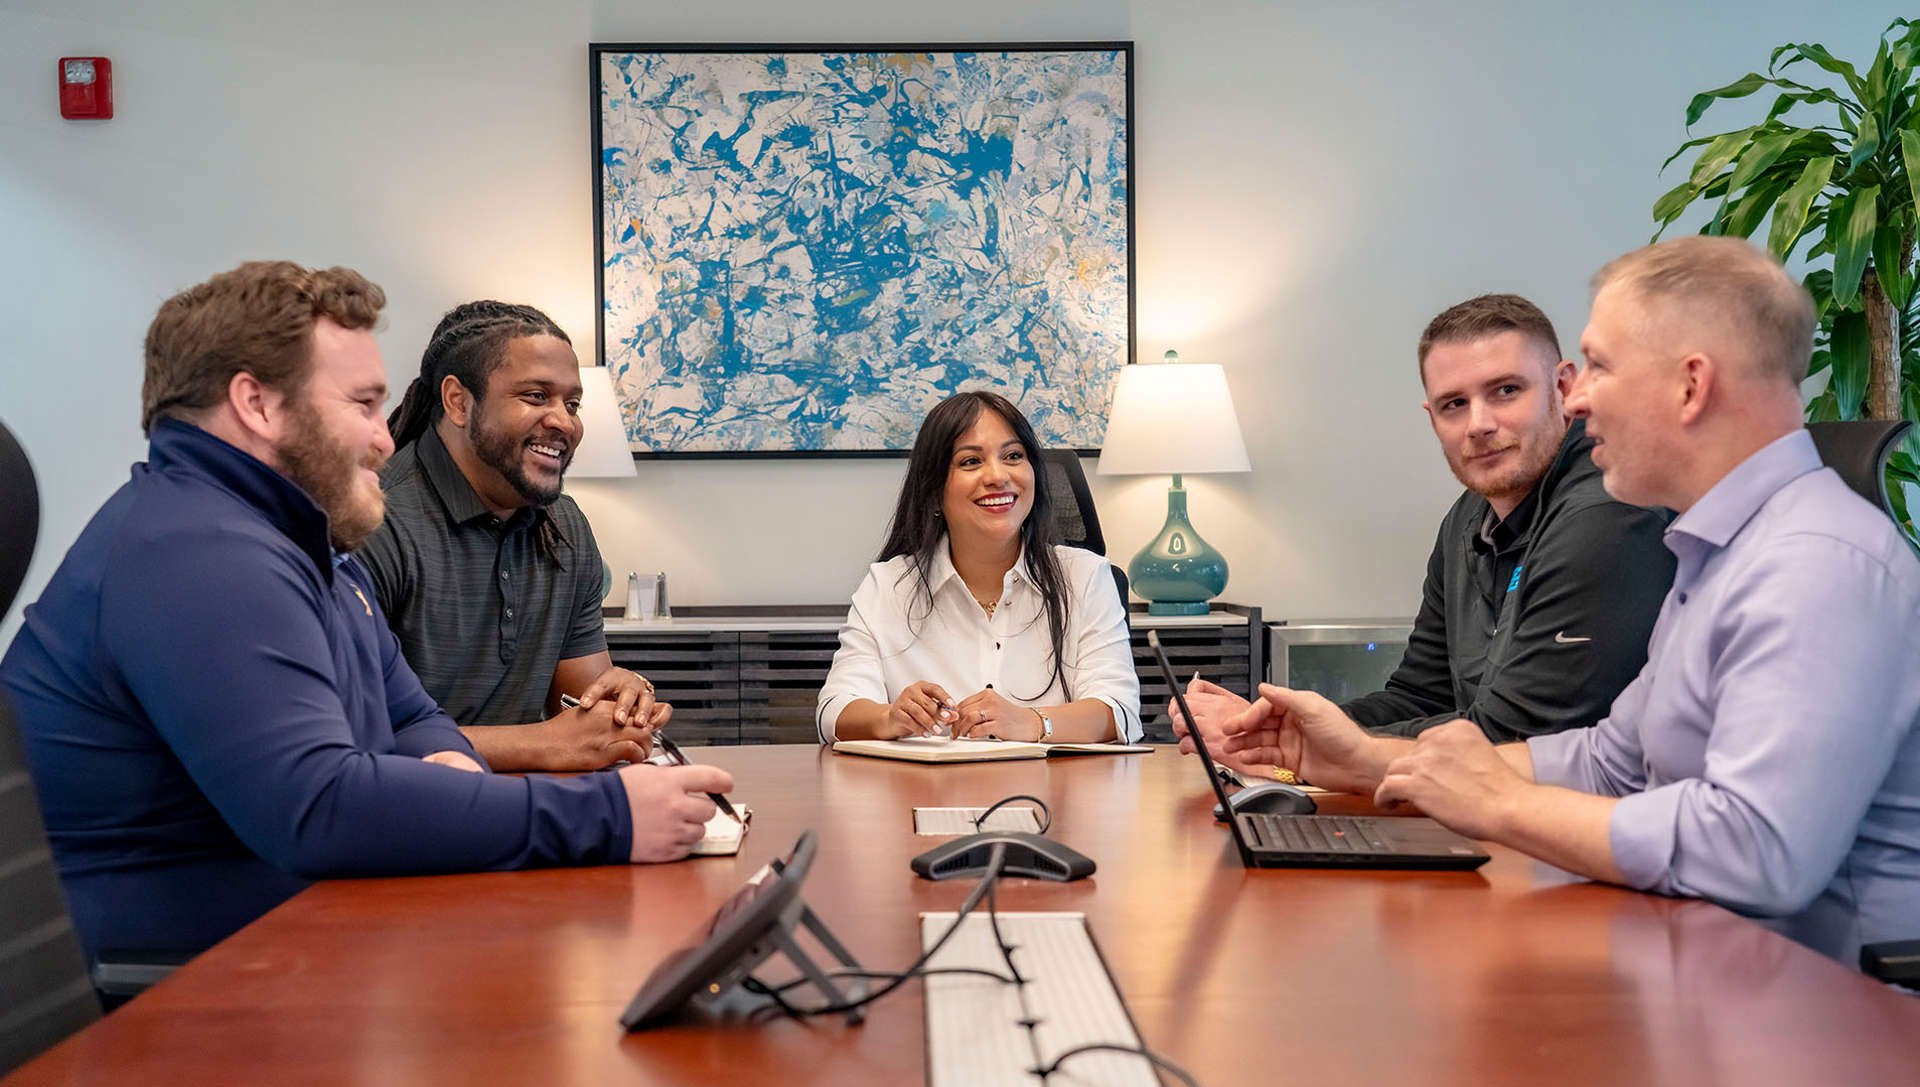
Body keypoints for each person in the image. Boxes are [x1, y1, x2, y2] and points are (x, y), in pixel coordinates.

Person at [0, 262, 731, 961]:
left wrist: (451, 775)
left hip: (300, 933)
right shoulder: (195, 549)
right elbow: (319, 805)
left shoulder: (309, 546)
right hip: (173, 989)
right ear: (257, 404)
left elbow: (411, 718)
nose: (387, 437)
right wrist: (611, 814)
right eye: (362, 405)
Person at [1220, 237, 1920, 965]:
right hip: (1706, 967)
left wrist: (1501, 803)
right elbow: (1612, 760)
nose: (1577, 397)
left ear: (1690, 386)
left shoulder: (1815, 563)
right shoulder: (1716, 554)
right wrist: (1367, 759)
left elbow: (1757, 849)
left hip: (1826, 1021)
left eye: (1600, 366)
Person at [1174, 294, 1674, 774]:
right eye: (1454, 403)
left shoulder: (1609, 514)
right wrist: (1274, 728)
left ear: (1564, 388)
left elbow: (1517, 738)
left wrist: (1298, 746)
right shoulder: (1467, 519)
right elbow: (1421, 695)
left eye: (1506, 391)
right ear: (1432, 418)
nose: (1478, 424)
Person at [359, 302, 665, 772]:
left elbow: (584, 706)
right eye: (536, 396)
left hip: (527, 814)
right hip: (397, 823)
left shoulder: (565, 526)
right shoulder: (371, 522)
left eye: (572, 403)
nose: (564, 421)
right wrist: (542, 743)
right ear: (459, 402)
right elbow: (350, 735)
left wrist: (620, 705)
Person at [817, 391, 1141, 744]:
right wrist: (889, 717)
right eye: (971, 462)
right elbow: (834, 711)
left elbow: (1119, 712)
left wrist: (1032, 723)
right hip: (924, 794)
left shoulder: (1086, 578)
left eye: (1013, 456)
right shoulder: (889, 586)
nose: (998, 476)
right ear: (934, 490)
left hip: (1053, 795)